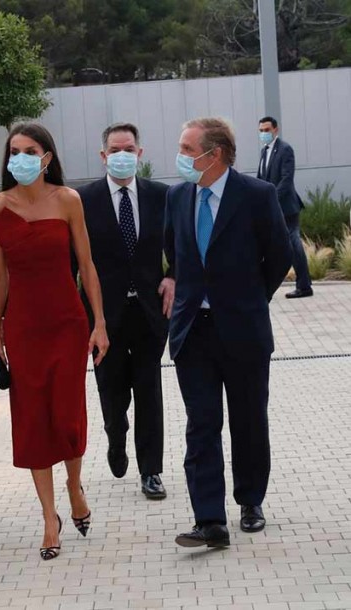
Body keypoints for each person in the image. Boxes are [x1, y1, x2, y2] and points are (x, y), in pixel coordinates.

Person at [0, 121, 109, 561]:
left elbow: (87, 266)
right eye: (14, 152)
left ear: (47, 158)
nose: (20, 158)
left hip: (67, 324)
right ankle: (49, 519)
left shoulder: (68, 200)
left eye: (30, 151)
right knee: (33, 420)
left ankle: (74, 486)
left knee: (68, 417)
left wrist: (99, 324)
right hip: (23, 328)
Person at [165, 117, 292, 548]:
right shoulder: (177, 196)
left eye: (187, 149)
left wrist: (250, 299)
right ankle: (209, 520)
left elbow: (279, 255)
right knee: (201, 424)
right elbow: (174, 253)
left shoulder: (256, 195)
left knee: (248, 419)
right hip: (193, 332)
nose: (181, 156)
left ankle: (250, 501)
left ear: (213, 154)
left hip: (242, 329)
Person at [75, 123, 174, 500]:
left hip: (149, 311)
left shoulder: (160, 196)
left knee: (149, 390)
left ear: (139, 153)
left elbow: (179, 243)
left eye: (128, 149)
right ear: (103, 156)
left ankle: (151, 470)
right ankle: (116, 436)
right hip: (103, 316)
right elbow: (73, 259)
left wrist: (174, 275)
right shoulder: (83, 200)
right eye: (115, 150)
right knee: (112, 390)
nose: (122, 155)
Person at [257, 116, 313, 298]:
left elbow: (286, 179)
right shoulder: (264, 151)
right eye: (261, 131)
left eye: (267, 130)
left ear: (276, 130)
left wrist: (271, 199)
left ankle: (304, 286)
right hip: (272, 206)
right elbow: (261, 179)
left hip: (287, 206)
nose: (264, 133)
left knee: (293, 244)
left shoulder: (285, 149)